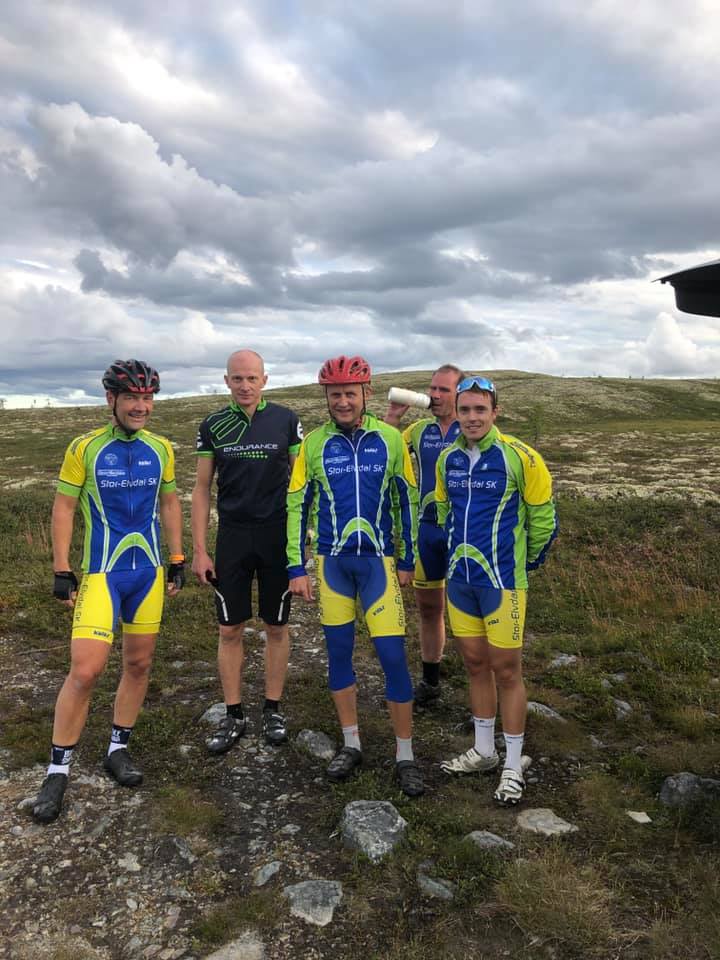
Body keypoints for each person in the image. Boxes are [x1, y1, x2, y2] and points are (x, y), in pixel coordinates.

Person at [32, 360, 185, 824]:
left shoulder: (161, 447)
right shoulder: (85, 447)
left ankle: (118, 748)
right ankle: (57, 771)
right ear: (111, 400)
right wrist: (61, 568)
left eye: (147, 398)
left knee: (138, 664)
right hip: (102, 574)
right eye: (132, 397)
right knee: (86, 670)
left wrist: (178, 557)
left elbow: (169, 501)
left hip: (148, 573)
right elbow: (64, 507)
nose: (141, 406)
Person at [287, 355, 424, 797]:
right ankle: (351, 743)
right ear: (326, 397)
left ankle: (405, 755)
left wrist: (408, 559)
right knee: (339, 654)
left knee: (392, 657)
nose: (342, 402)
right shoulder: (313, 444)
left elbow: (407, 501)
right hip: (332, 564)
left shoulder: (390, 439)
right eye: (335, 395)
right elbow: (297, 506)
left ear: (367, 393)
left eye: (350, 393)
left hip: (379, 563)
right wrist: (296, 566)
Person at [436, 376, 557, 805]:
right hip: (460, 579)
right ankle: (485, 751)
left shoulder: (521, 457)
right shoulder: (448, 458)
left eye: (480, 410)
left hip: (503, 581)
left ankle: (513, 764)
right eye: (465, 410)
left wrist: (526, 561)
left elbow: (543, 520)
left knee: (507, 670)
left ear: (495, 412)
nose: (472, 417)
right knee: (474, 664)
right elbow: (443, 511)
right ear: (457, 412)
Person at [192, 350, 302, 752]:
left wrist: (301, 542)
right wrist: (200, 550)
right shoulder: (213, 424)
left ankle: (272, 708)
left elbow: (300, 483)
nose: (245, 386)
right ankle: (234, 713)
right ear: (226, 381)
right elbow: (201, 488)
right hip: (233, 537)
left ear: (264, 380)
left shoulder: (286, 420)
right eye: (237, 378)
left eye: (252, 378)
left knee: (276, 626)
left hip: (276, 536)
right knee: (229, 628)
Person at [384, 364, 465, 706]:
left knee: (470, 613)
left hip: (464, 533)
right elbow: (386, 451)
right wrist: (392, 418)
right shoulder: (419, 431)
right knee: (430, 610)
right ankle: (431, 682)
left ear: (460, 394)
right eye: (432, 388)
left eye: (444, 389)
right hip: (427, 532)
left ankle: (482, 686)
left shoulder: (472, 427)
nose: (435, 395)